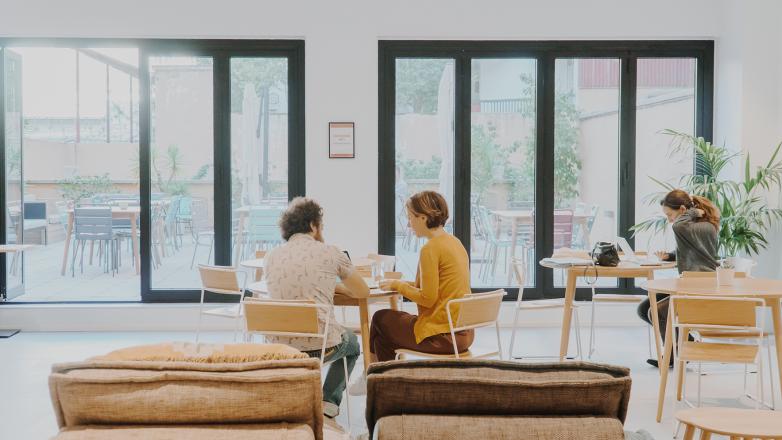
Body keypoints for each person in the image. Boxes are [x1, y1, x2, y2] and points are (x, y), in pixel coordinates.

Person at [263, 197, 369, 419]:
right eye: (321, 225)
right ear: (313, 225)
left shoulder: (271, 256)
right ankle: (328, 401)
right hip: (319, 346)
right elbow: (362, 292)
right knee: (352, 343)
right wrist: (338, 286)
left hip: (280, 346)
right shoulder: (330, 252)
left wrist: (331, 286)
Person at [371, 190, 474, 361]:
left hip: (442, 336)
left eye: (410, 218)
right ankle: (382, 376)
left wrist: (398, 286)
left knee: (379, 318)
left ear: (423, 218)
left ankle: (375, 378)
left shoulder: (431, 249)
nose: (409, 224)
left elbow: (427, 298)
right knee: (382, 337)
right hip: (464, 333)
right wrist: (401, 283)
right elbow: (437, 285)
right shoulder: (455, 242)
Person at [637, 189, 720, 368]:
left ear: (682, 209)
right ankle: (686, 343)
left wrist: (691, 212)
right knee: (645, 308)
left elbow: (678, 227)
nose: (669, 220)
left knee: (656, 311)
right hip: (688, 284)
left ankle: (674, 353)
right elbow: (694, 250)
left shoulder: (703, 226)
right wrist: (670, 256)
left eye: (670, 214)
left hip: (700, 287)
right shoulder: (691, 226)